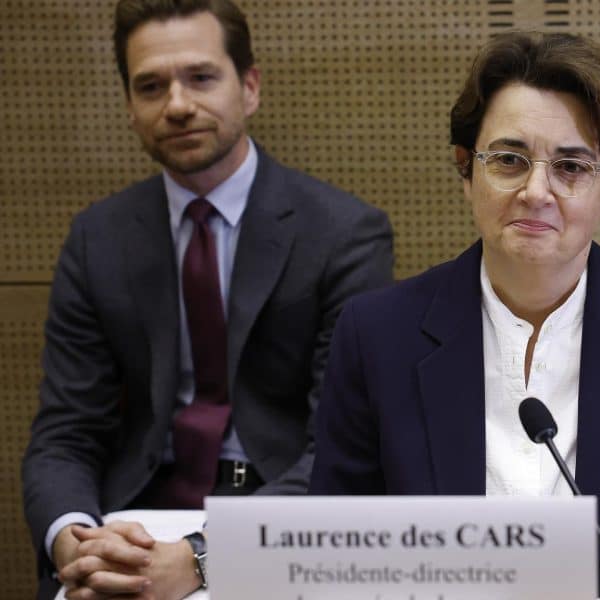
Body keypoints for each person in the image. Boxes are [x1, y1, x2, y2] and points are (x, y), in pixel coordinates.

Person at [309, 31, 600, 597]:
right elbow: (336, 552)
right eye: (508, 160)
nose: (536, 191)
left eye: (571, 167)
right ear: (465, 170)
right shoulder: (376, 336)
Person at [21, 0, 393, 598]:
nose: (176, 105)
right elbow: (65, 432)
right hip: (130, 524)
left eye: (200, 77)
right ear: (129, 105)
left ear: (249, 87)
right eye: (150, 86)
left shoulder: (344, 235)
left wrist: (205, 557)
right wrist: (77, 543)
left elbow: (343, 448)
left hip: (280, 521)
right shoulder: (98, 239)